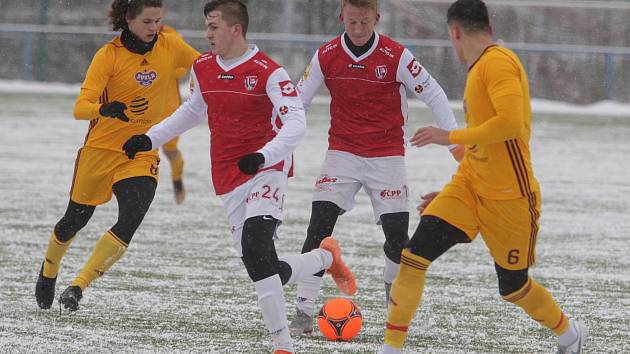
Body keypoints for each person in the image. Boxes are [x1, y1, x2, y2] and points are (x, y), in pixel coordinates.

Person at [122, 1, 355, 353]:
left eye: (214, 26)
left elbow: (296, 123)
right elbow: (193, 109)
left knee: (256, 246)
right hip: (227, 176)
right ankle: (324, 258)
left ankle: (282, 344)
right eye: (207, 26)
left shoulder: (269, 72)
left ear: (235, 29)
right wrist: (150, 138)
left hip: (267, 170)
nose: (207, 33)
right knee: (264, 266)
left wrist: (265, 155)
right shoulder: (202, 67)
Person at [380, 1, 588, 353]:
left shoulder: (498, 63)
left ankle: (570, 335)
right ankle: (390, 348)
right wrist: (449, 196)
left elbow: (509, 125)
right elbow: (484, 143)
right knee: (413, 257)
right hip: (469, 187)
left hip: (510, 199)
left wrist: (449, 136)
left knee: (513, 288)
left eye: (451, 38)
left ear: (456, 31)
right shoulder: (479, 68)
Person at [289, 0, 463, 335]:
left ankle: (392, 306)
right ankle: (303, 313)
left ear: (377, 19)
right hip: (342, 153)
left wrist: (453, 139)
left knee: (397, 239)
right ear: (342, 17)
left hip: (387, 157)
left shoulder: (396, 56)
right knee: (317, 230)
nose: (357, 30)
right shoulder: (326, 55)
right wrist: (282, 143)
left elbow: (435, 93)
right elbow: (298, 102)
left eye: (364, 23)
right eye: (351, 22)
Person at [34, 0, 200, 312]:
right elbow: (79, 108)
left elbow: (207, 66)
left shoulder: (170, 45)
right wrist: (104, 109)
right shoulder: (108, 55)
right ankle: (49, 270)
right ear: (128, 18)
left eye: (159, 21)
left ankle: (78, 287)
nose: (155, 29)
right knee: (75, 221)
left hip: (140, 149)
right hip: (101, 150)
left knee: (130, 218)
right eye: (148, 22)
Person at [160, 24, 191, 204]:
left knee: (169, 150)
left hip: (168, 106)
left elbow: (181, 68)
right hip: (141, 106)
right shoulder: (131, 36)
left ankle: (177, 180)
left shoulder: (171, 36)